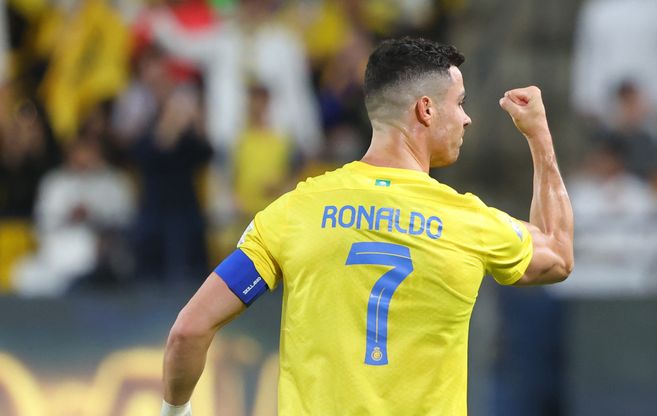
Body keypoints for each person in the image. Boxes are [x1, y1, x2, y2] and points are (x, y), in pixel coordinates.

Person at [161, 37, 574, 415]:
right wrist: (538, 135)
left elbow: (189, 329)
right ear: (426, 109)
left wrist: (174, 411)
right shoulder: (467, 221)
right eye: (460, 103)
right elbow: (557, 254)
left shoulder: (295, 211)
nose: (466, 119)